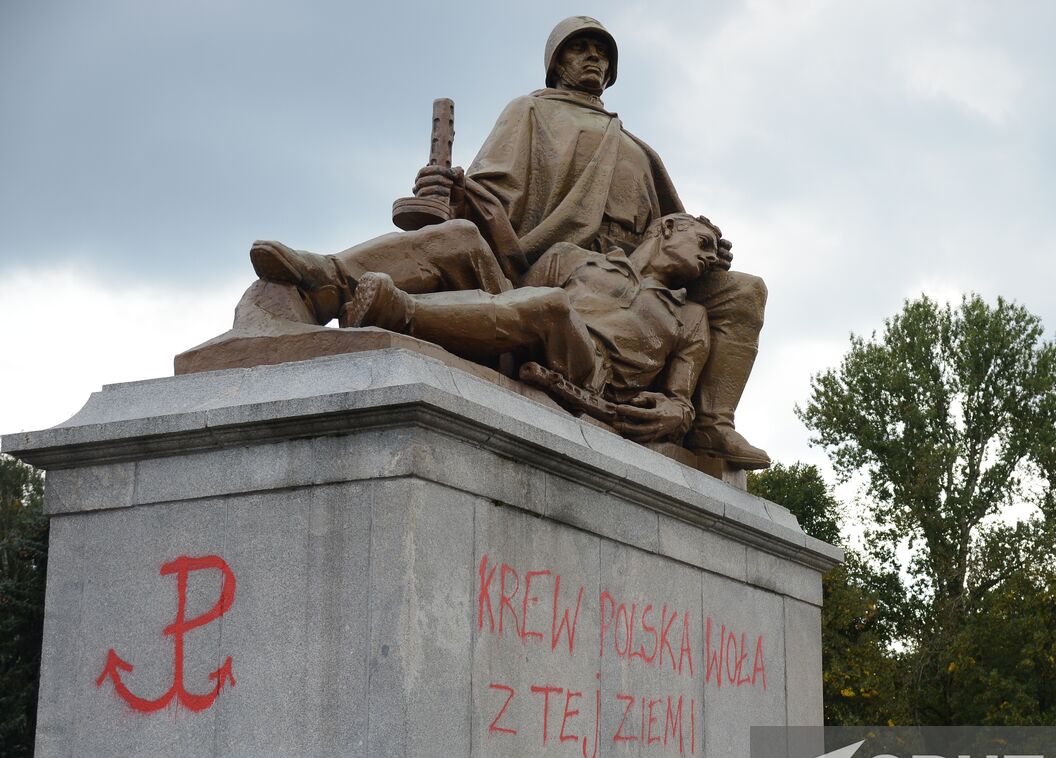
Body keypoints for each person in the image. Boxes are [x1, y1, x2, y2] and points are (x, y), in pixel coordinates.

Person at [411, 16, 771, 468]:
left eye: (602, 53)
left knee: (745, 290)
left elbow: (670, 229)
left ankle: (713, 425)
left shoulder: (636, 146)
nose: (594, 58)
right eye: (580, 48)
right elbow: (490, 193)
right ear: (557, 61)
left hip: (637, 273)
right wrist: (450, 191)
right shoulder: (531, 111)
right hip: (560, 258)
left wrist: (708, 250)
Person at [251, 213, 721, 444]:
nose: (710, 258)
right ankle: (327, 281)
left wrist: (677, 414)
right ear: (665, 229)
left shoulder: (690, 317)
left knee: (553, 308)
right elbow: (514, 297)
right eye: (703, 242)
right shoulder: (574, 259)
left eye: (714, 252)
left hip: (589, 371)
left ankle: (398, 311)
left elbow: (682, 401)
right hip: (523, 334)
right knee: (462, 235)